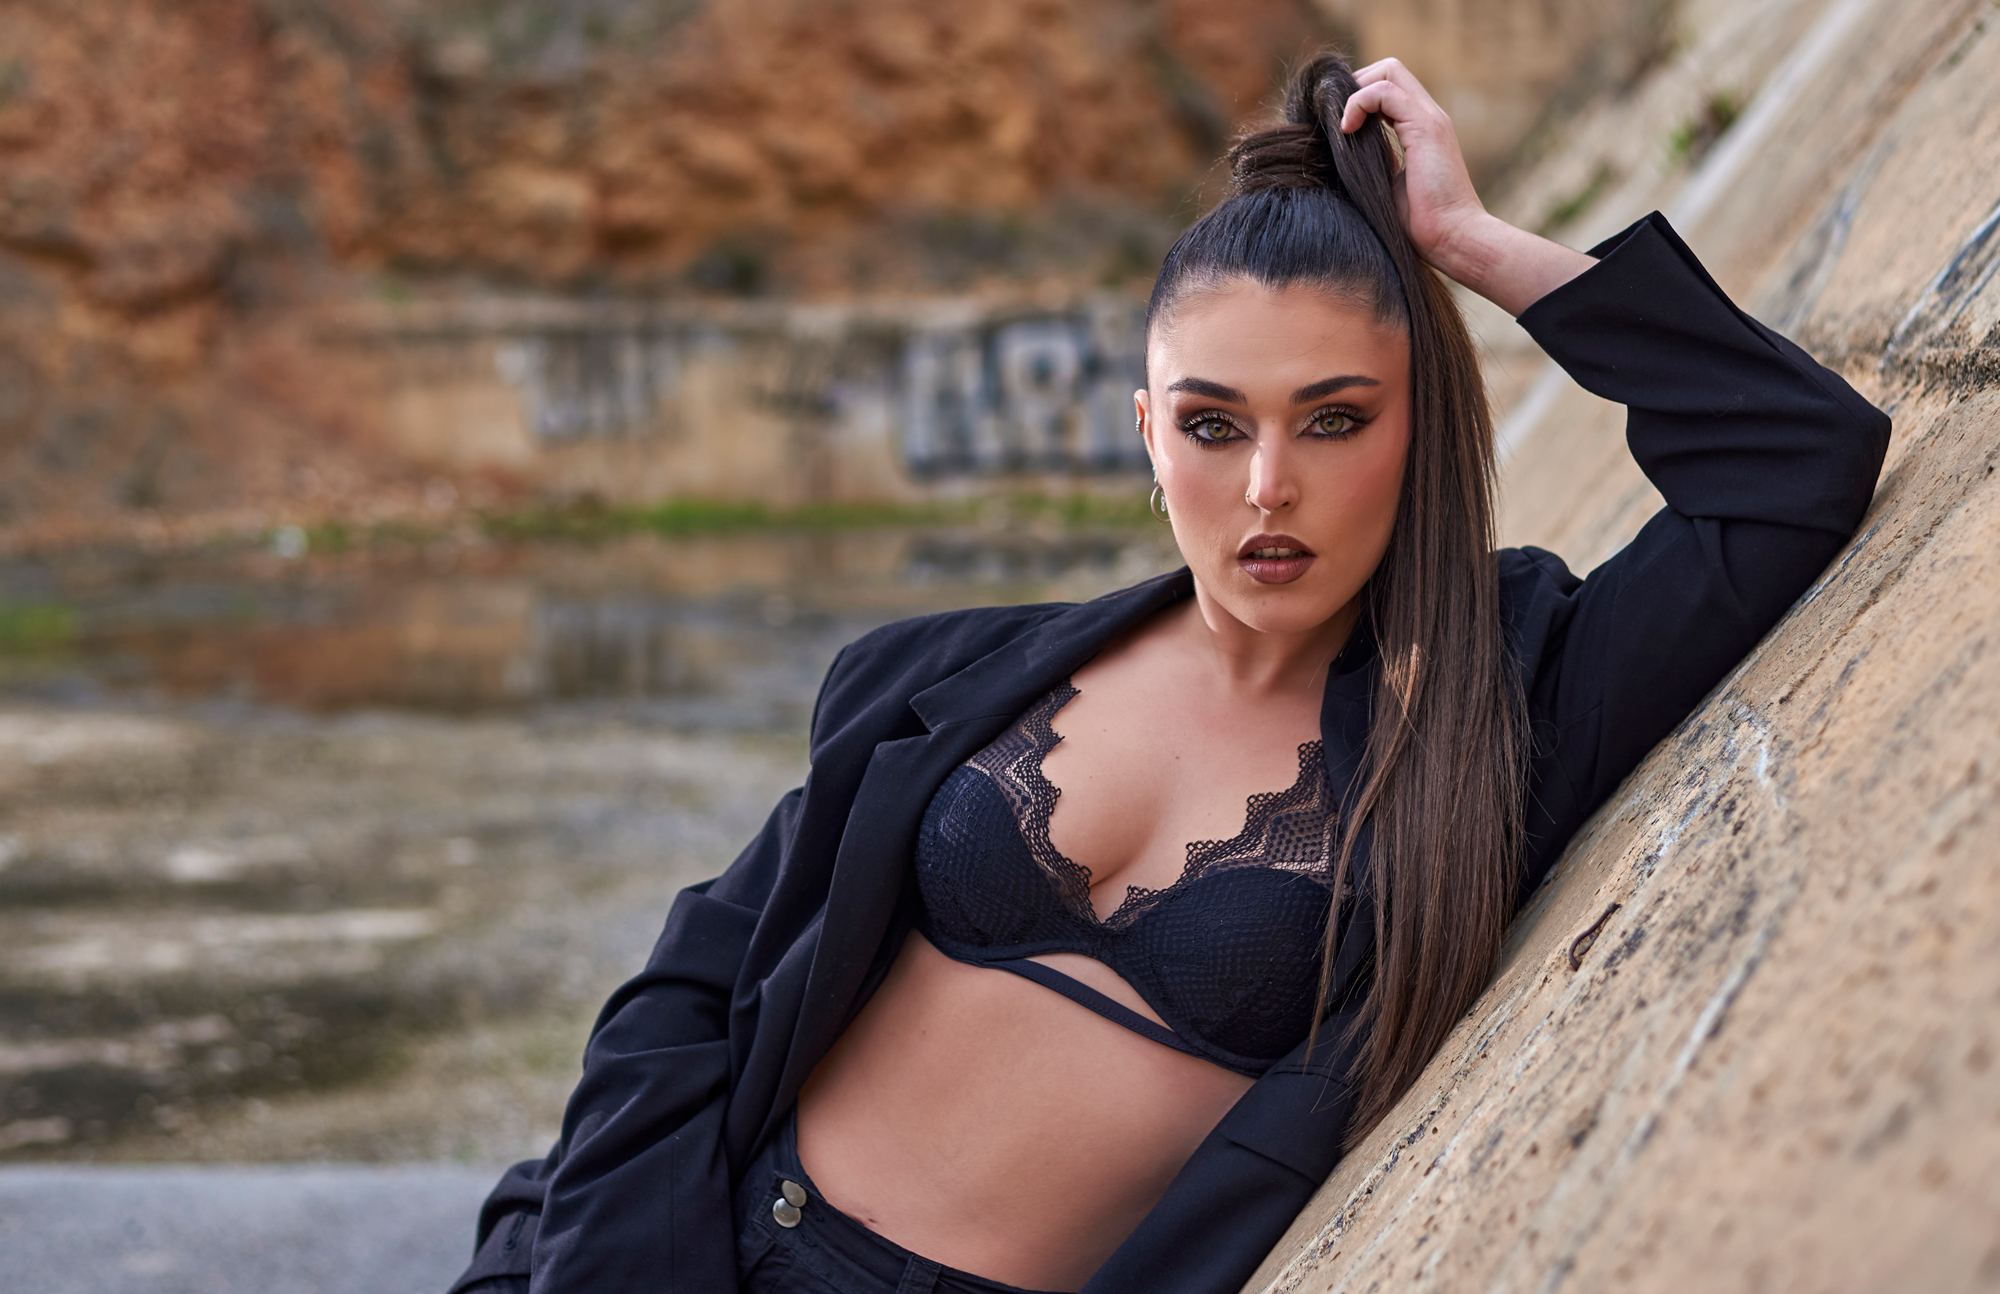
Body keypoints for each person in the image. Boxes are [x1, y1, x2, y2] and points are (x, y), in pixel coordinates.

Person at [450, 51, 1888, 1294]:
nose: (1268, 486)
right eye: (1214, 426)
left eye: (1334, 420)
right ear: (1150, 434)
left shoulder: (1495, 711)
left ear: (1419, 426)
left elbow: (1789, 461)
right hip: (661, 1235)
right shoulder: (959, 672)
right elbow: (694, 982)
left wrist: (1471, 244)